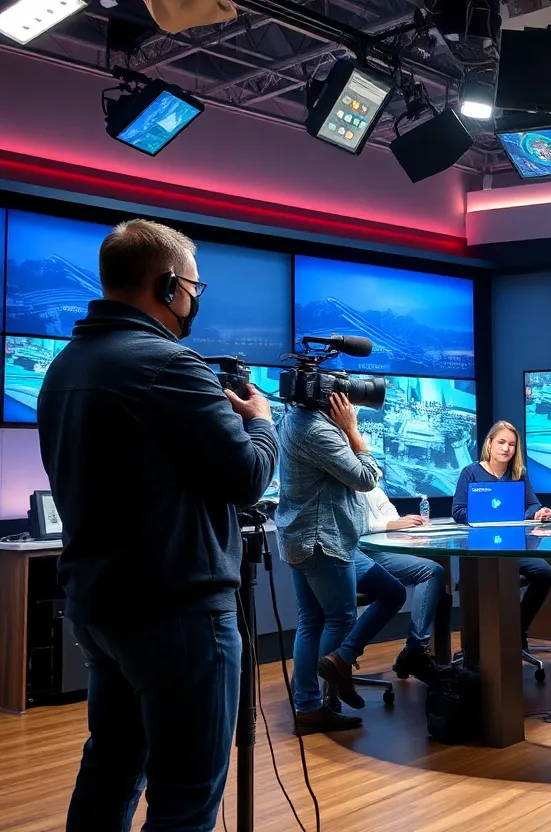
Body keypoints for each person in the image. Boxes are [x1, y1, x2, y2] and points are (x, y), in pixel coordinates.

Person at [37, 219, 278, 832]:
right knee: (185, 801)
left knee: (111, 770)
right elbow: (248, 477)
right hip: (180, 613)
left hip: (100, 607)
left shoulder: (64, 364)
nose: (195, 301)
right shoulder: (170, 365)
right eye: (195, 288)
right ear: (168, 284)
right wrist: (260, 420)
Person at [276, 391, 382, 734]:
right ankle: (321, 699)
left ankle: (307, 704)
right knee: (341, 618)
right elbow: (367, 477)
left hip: (300, 538)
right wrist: (352, 430)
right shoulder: (319, 431)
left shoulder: (294, 418)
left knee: (311, 622)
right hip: (324, 540)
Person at [451, 421, 551, 644]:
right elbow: (458, 511)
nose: (506, 448)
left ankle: (517, 630)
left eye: (512, 444)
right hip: (481, 549)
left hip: (513, 547)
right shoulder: (470, 472)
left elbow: (532, 504)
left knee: (544, 572)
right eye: (501, 442)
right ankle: (479, 643)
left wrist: (537, 513)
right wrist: (488, 515)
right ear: (489, 443)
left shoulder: (518, 473)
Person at [360, 485, 445, 680]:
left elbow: (391, 515)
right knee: (431, 572)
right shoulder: (345, 480)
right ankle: (415, 651)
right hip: (361, 552)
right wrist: (389, 524)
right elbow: (358, 525)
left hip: (382, 546)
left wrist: (396, 523)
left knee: (436, 575)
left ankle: (415, 651)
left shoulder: (371, 484)